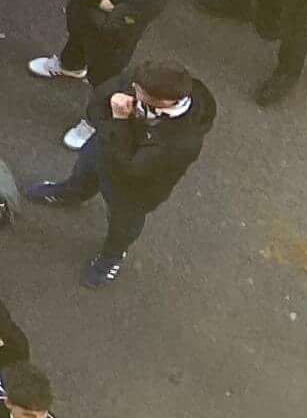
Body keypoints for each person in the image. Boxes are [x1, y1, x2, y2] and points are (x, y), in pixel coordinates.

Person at [25, 58, 214, 284]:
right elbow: (98, 103)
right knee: (82, 174)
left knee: (123, 223)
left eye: (139, 91)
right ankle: (70, 193)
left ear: (164, 101)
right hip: (103, 148)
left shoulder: (182, 141)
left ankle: (111, 257)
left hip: (134, 189)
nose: (132, 89)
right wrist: (109, 120)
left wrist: (118, 120)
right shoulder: (143, 78)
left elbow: (131, 170)